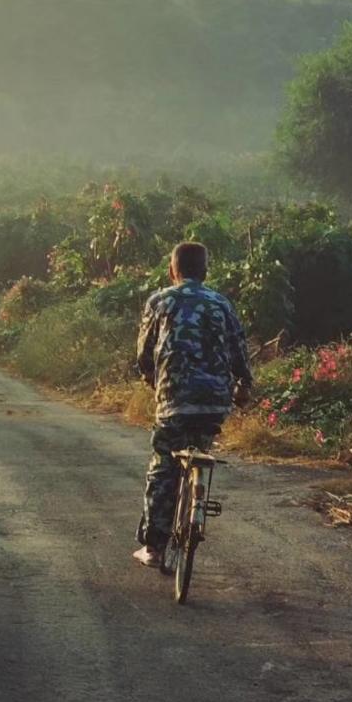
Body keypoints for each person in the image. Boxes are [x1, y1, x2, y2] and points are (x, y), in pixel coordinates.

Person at [133, 240, 253, 567]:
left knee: (163, 466)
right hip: (215, 400)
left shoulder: (159, 300)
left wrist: (150, 377)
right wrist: (243, 386)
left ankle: (154, 548)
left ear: (173, 271)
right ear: (205, 271)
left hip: (173, 399)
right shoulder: (221, 303)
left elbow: (144, 355)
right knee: (199, 447)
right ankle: (196, 506)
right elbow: (239, 353)